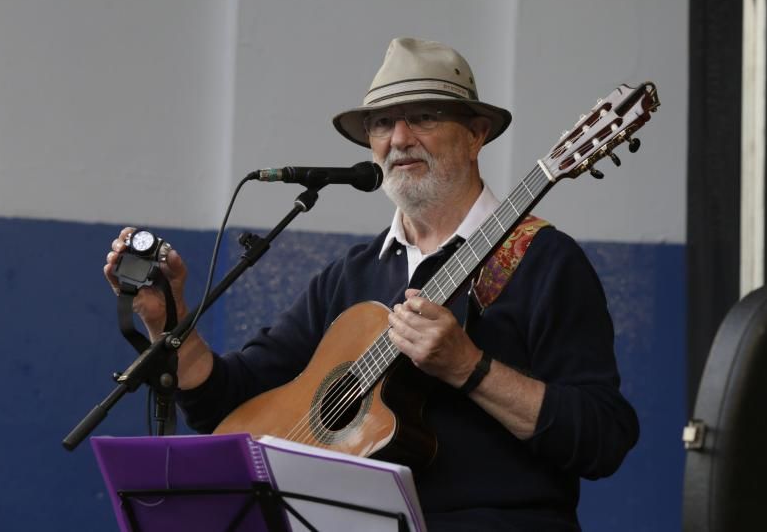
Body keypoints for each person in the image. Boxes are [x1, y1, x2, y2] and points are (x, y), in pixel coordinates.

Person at [103, 37, 639, 530]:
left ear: (477, 134)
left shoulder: (545, 261)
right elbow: (233, 404)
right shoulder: (351, 276)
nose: (399, 139)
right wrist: (168, 320)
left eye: (424, 117)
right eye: (381, 124)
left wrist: (469, 368)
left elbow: (603, 438)